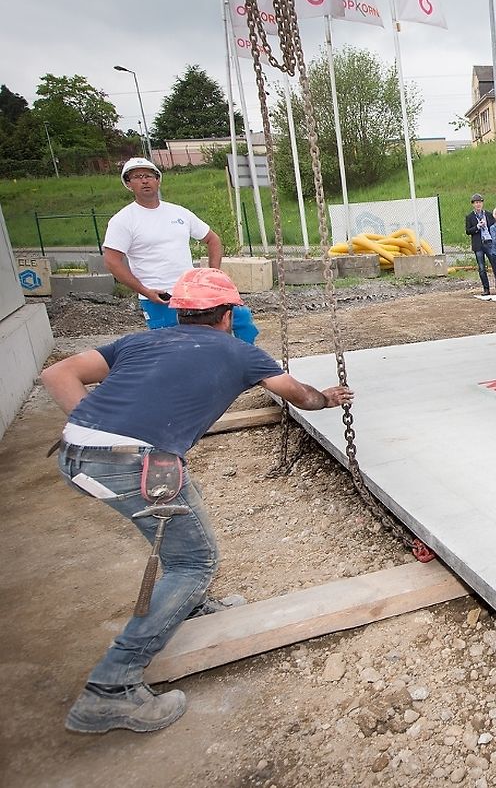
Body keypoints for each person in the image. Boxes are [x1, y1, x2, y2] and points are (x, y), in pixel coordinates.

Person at [43, 268, 352, 734]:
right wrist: (326, 398)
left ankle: (188, 604)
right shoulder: (241, 352)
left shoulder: (139, 342)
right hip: (134, 465)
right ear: (227, 315)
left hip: (74, 455)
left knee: (183, 527)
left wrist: (95, 429)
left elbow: (57, 373)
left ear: (180, 313)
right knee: (194, 562)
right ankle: (110, 688)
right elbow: (300, 396)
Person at [104, 158, 257, 345]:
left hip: (192, 292)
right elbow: (112, 261)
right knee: (174, 345)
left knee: (241, 317)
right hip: (159, 298)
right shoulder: (123, 220)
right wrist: (144, 291)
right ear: (128, 183)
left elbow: (213, 240)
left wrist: (212, 276)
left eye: (149, 176)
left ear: (158, 180)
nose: (144, 181)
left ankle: (246, 356)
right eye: (137, 177)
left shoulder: (179, 213)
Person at [465, 193, 496, 295]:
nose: (478, 204)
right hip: (478, 244)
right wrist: (477, 227)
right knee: (482, 268)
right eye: (476, 203)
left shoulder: (488, 215)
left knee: (495, 265)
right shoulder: (470, 217)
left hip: (489, 242)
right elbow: (468, 231)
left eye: (479, 202)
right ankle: (486, 288)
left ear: (482, 203)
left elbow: (494, 227)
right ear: (473, 204)